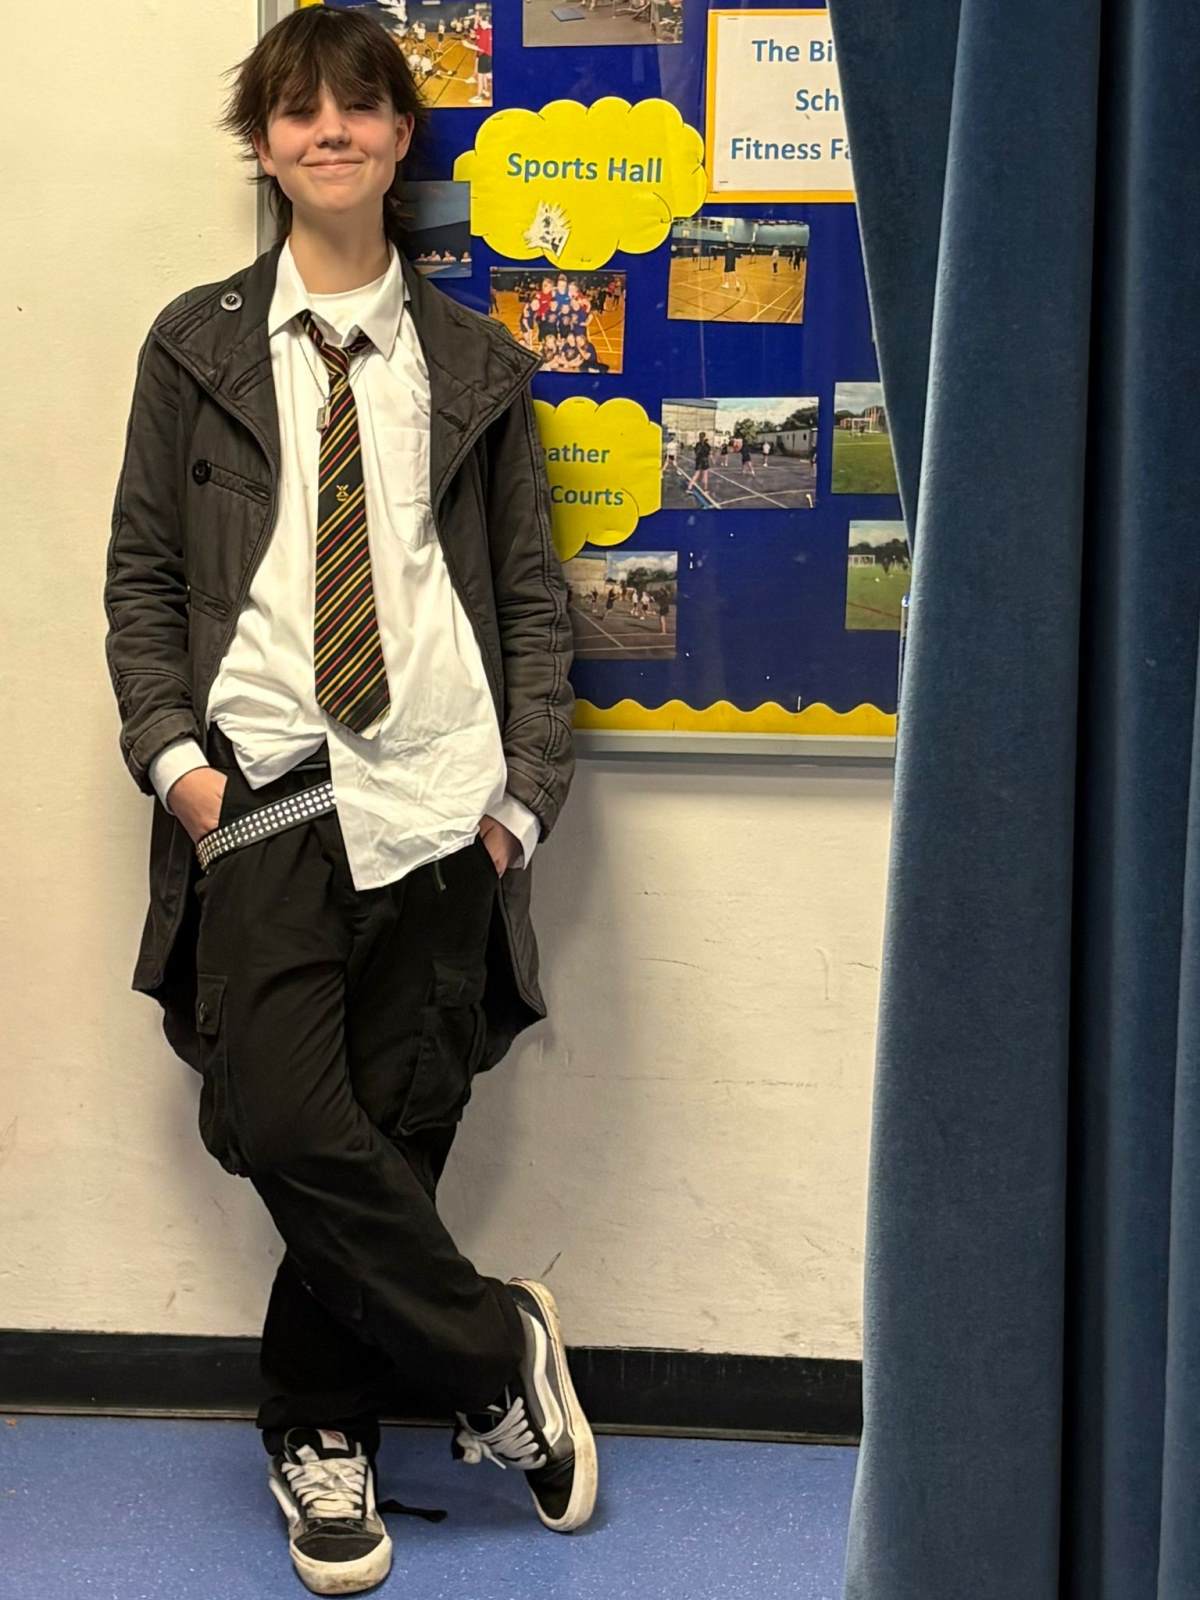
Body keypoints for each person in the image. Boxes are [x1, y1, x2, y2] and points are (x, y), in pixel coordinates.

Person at [102, 9, 595, 1595]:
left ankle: (320, 1438)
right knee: (286, 1119)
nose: (331, 133)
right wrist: (180, 768)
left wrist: (521, 803)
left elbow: (530, 602)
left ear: (398, 137)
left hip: (440, 786)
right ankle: (492, 1351)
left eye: (360, 109)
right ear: (263, 143)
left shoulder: (478, 364)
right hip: (260, 786)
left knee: (396, 1126)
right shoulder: (193, 346)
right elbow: (142, 579)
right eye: (300, 111)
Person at [684, 431, 712, 497]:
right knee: (705, 475)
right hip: (704, 461)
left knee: (696, 475)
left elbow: (696, 452)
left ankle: (689, 487)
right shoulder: (707, 445)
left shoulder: (697, 444)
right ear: (704, 437)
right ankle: (705, 490)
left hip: (698, 461)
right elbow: (709, 453)